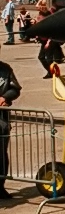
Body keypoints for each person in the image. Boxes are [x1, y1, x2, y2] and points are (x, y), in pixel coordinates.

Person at [0, 54, 22, 199]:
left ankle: (0, 186)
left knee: (1, 153)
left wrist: (5, 97)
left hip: (1, 119)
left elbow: (15, 89)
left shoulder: (5, 69)